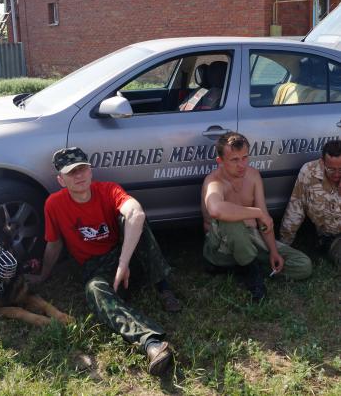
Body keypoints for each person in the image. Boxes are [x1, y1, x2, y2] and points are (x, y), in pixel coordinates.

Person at [30, 147, 181, 376]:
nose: (79, 176)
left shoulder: (108, 189)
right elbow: (54, 244)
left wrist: (123, 263)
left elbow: (136, 213)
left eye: (83, 169)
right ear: (61, 180)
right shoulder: (54, 204)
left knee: (135, 222)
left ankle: (163, 288)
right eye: (72, 172)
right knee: (93, 290)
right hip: (96, 268)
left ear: (91, 172)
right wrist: (43, 274)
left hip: (125, 257)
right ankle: (152, 344)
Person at [201, 132, 312, 301]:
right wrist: (256, 212)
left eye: (245, 157)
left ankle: (244, 266)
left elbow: (264, 220)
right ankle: (254, 278)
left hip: (253, 239)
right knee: (231, 221)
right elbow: (216, 210)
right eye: (234, 160)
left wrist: (274, 252)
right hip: (221, 247)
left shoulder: (253, 176)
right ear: (220, 162)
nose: (242, 165)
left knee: (303, 265)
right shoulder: (213, 181)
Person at [280, 140, 341, 267]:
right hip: (333, 238)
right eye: (331, 169)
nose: (336, 174)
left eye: (340, 169)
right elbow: (295, 210)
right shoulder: (308, 172)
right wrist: (282, 247)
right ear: (322, 162)